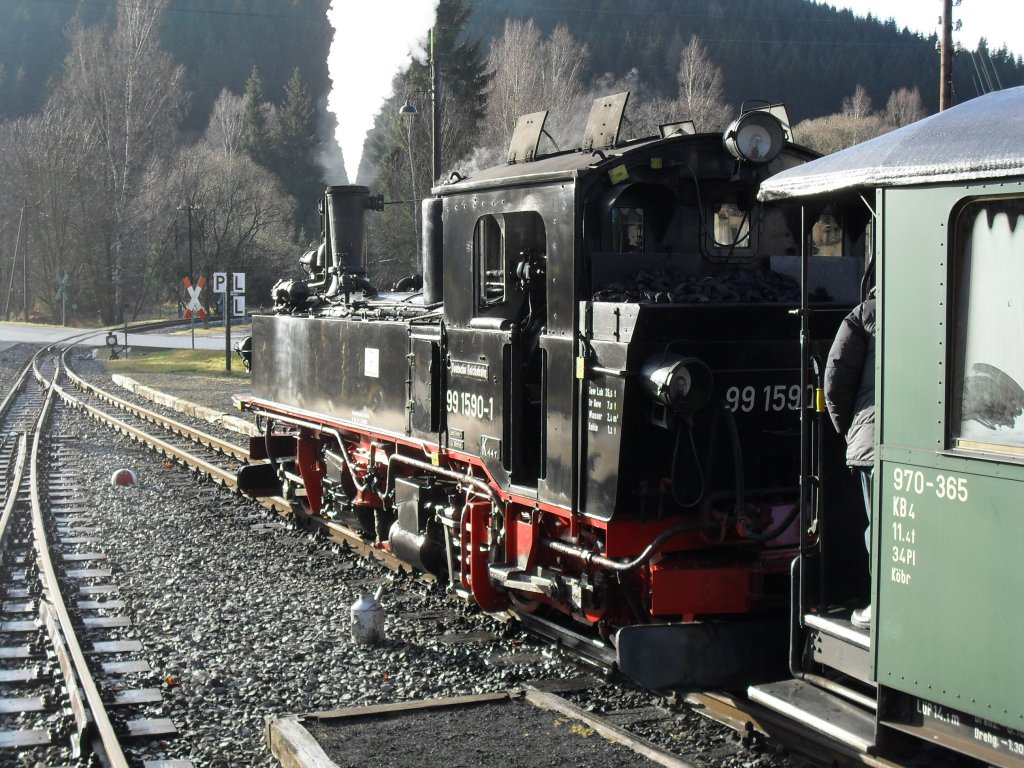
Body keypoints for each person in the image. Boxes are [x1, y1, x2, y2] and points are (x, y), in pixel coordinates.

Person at [824, 288, 876, 629]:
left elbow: (834, 380)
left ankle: (880, 602)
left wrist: (849, 429)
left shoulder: (867, 312)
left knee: (880, 526)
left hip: (874, 440)